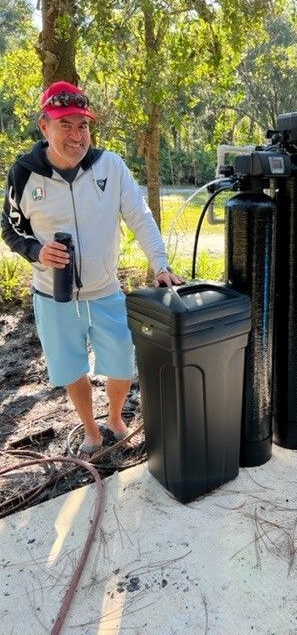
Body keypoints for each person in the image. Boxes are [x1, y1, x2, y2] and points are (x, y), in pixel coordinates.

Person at [1, 80, 184, 457]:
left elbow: (140, 216)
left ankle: (115, 419)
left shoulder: (110, 166)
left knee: (120, 361)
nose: (76, 135)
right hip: (54, 295)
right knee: (71, 367)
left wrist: (160, 264)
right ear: (44, 126)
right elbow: (10, 227)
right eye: (64, 124)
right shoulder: (22, 174)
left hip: (105, 290)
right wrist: (36, 251)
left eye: (82, 125)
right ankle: (90, 430)